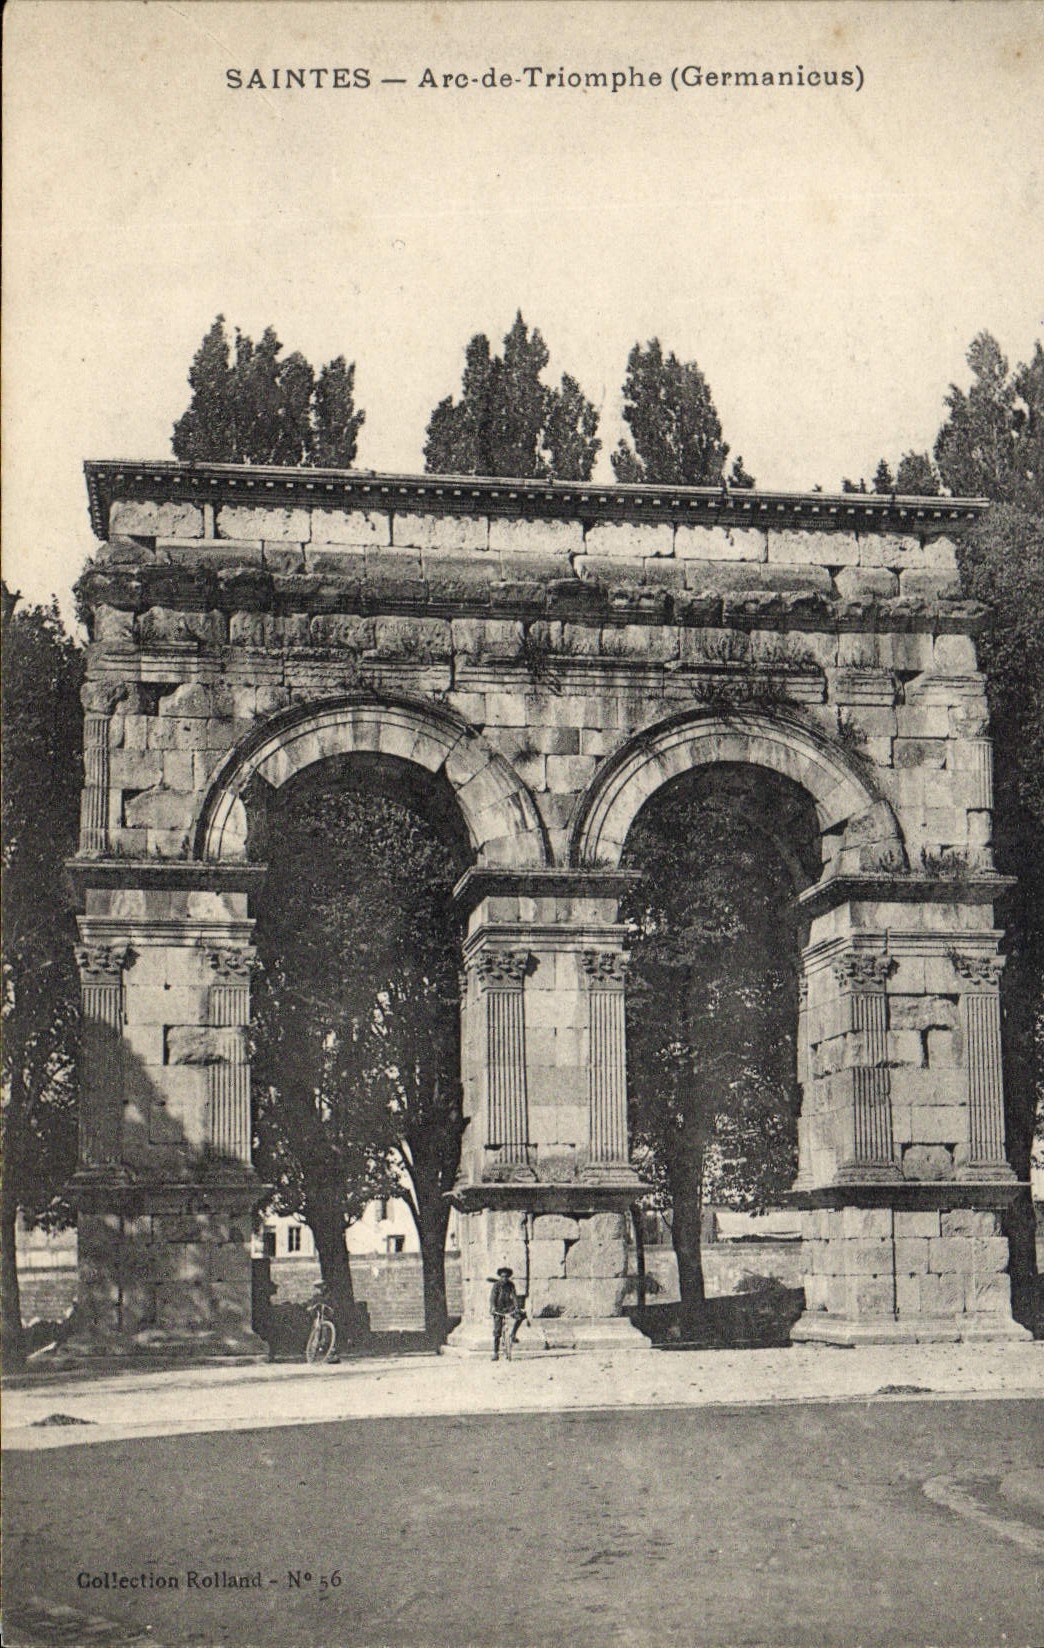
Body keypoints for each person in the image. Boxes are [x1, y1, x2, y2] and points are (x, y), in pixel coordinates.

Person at [489, 1266, 524, 1361]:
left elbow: (514, 1296)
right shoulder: (496, 1285)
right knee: (497, 1331)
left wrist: (517, 1307)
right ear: (500, 1277)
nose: (504, 1278)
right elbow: (493, 1297)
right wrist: (493, 1307)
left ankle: (513, 1334)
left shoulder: (511, 1285)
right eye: (502, 1276)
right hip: (498, 1309)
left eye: (506, 1276)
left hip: (508, 1307)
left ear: (508, 1277)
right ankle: (495, 1353)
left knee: (521, 1315)